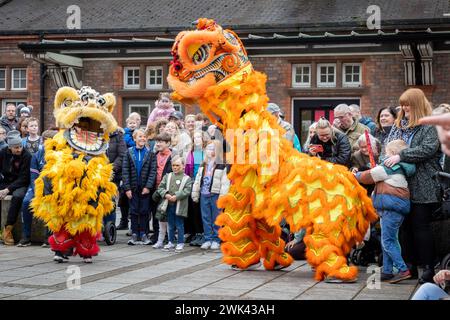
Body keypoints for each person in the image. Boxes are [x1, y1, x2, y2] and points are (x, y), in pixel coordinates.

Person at [384, 88, 442, 284]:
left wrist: (401, 155)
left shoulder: (430, 125)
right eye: (402, 104)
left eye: (407, 104)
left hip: (423, 184)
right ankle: (408, 267)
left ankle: (428, 269)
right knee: (404, 228)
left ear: (417, 104)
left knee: (420, 227)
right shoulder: (399, 124)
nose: (403, 108)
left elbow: (428, 149)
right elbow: (388, 144)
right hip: (401, 185)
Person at [355, 139, 416, 283]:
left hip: (390, 208)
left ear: (394, 154)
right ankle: (387, 270)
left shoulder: (390, 167)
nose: (384, 156)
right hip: (391, 208)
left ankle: (403, 269)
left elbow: (368, 176)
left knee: (388, 241)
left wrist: (354, 175)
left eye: (387, 153)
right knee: (388, 240)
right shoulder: (399, 167)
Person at [17, 129, 58, 247]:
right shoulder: (37, 156)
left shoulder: (59, 155)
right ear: (42, 141)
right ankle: (26, 236)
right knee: (26, 202)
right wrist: (38, 192)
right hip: (37, 187)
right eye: (45, 141)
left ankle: (48, 236)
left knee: (51, 203)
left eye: (51, 141)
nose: (48, 143)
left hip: (53, 188)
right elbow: (34, 176)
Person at [191, 140, 230, 250]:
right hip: (204, 193)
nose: (210, 151)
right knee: (206, 217)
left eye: (212, 148)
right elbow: (198, 179)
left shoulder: (222, 165)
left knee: (216, 218)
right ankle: (208, 238)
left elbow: (225, 183)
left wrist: (223, 196)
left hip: (215, 194)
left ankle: (216, 239)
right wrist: (195, 192)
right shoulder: (203, 164)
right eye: (208, 148)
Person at [121, 129, 157, 245]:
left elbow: (153, 171)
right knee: (134, 211)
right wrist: (127, 188)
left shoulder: (150, 153)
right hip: (133, 187)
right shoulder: (129, 152)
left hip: (145, 188)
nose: (142, 138)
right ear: (134, 138)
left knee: (145, 211)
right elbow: (125, 171)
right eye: (140, 136)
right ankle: (135, 233)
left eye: (144, 136)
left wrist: (148, 186)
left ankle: (144, 233)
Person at [152, 155, 192, 252]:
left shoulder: (187, 178)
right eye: (173, 165)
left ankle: (180, 242)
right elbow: (160, 187)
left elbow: (187, 190)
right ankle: (171, 242)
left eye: (177, 165)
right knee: (170, 224)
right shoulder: (168, 176)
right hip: (168, 205)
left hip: (179, 206)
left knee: (179, 224)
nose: (175, 167)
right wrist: (166, 195)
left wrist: (176, 196)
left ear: (183, 166)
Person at [0, 130, 32, 245]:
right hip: (6, 181)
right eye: (15, 147)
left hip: (21, 183)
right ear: (10, 147)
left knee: (18, 196)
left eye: (20, 146)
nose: (19, 149)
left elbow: (24, 178)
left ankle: (8, 229)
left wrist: (7, 190)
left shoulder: (27, 155)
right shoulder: (3, 152)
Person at [185, 130, 209, 246]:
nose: (197, 139)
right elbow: (188, 171)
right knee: (194, 210)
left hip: (204, 183)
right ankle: (197, 233)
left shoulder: (207, 152)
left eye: (199, 137)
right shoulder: (191, 153)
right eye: (195, 137)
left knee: (202, 210)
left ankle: (204, 234)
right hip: (193, 183)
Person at [148, 133, 173, 244]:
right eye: (157, 142)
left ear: (168, 143)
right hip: (155, 188)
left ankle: (168, 235)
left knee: (166, 212)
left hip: (166, 189)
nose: (158, 144)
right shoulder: (154, 155)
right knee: (155, 212)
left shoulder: (172, 156)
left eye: (161, 142)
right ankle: (157, 234)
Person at [106, 128, 127, 230]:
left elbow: (122, 155)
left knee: (110, 200)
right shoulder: (94, 134)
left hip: (113, 174)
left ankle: (109, 228)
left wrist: (111, 168)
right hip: (95, 172)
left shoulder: (117, 136)